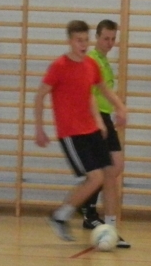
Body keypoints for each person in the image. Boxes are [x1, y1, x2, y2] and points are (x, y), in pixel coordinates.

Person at [35, 20, 128, 243]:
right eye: (79, 40)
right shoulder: (59, 66)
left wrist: (120, 108)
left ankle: (111, 229)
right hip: (71, 133)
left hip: (91, 129)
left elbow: (102, 91)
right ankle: (59, 216)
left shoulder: (91, 65)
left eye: (86, 40)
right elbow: (40, 96)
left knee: (109, 173)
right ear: (70, 41)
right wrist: (39, 128)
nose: (83, 44)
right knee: (95, 178)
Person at [79, 19, 130, 248]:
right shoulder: (92, 60)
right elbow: (89, 93)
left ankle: (93, 212)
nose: (110, 43)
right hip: (95, 117)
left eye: (112, 39)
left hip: (105, 116)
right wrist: (98, 120)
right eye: (105, 38)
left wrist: (117, 109)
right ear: (97, 38)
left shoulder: (104, 61)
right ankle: (99, 218)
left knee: (113, 169)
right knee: (110, 170)